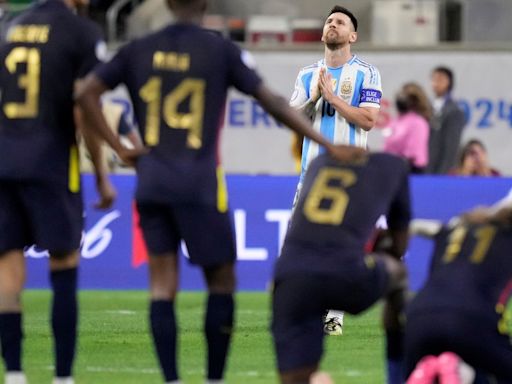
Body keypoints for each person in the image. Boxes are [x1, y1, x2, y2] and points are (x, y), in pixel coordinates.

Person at [75, 0, 357, 383]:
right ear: (205, 4)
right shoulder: (220, 50)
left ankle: (172, 378)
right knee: (222, 281)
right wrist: (322, 140)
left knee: (161, 284)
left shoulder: (138, 48)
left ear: (169, 4)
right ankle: (214, 378)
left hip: (152, 181)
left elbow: (86, 92)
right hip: (200, 182)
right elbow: (271, 101)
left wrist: (121, 148)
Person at [0, 0, 116, 382]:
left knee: (7, 271)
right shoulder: (79, 32)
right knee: (63, 263)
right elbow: (84, 106)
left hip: (5, 159)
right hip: (51, 161)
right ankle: (62, 377)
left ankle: (14, 374)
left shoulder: (10, 27)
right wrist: (100, 172)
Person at [271, 151, 411, 384]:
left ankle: (329, 334)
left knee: (297, 377)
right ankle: (396, 375)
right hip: (344, 270)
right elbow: (398, 246)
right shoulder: (390, 168)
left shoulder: (318, 163)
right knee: (397, 273)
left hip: (291, 274)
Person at [289, 4, 383, 336]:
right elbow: (292, 120)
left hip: (350, 175)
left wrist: (334, 98)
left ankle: (333, 315)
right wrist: (315, 96)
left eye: (340, 22)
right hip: (311, 174)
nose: (333, 24)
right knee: (301, 245)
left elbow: (369, 121)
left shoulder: (367, 73)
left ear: (352, 36)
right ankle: (305, 309)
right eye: (329, 21)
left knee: (342, 245)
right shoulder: (305, 74)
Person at [405, 203, 512, 383]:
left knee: (339, 299)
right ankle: (459, 372)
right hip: (473, 319)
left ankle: (443, 371)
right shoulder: (506, 237)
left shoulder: (458, 230)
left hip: (418, 316)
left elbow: (426, 228)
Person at [383, 83, 430, 174]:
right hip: (391, 167)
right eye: (401, 94)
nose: (401, 98)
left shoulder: (418, 123)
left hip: (410, 170)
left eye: (405, 96)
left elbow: (413, 154)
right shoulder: (395, 121)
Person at [427, 66, 466, 174]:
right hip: (427, 168)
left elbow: (451, 147)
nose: (436, 83)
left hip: (441, 170)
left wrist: (443, 173)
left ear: (449, 82)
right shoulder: (428, 107)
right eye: (433, 79)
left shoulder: (454, 111)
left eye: (440, 79)